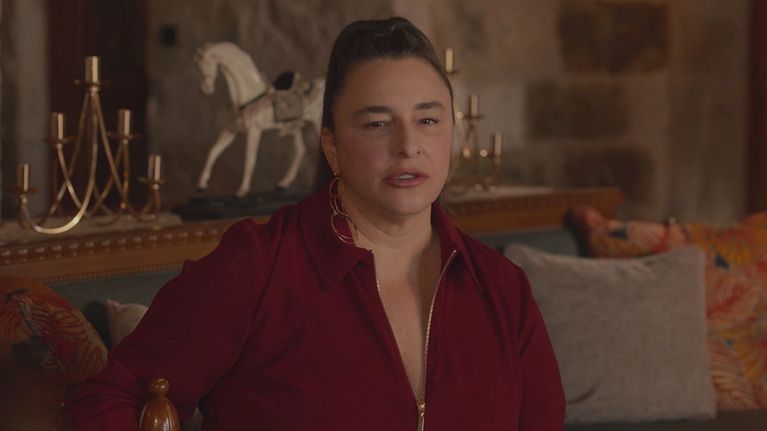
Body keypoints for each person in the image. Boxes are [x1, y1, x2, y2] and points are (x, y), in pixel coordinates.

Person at [67, 17, 565, 430]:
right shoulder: (257, 268)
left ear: (450, 133)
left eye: (428, 120)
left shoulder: (502, 289)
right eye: (377, 123)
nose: (408, 145)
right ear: (331, 146)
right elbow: (109, 400)